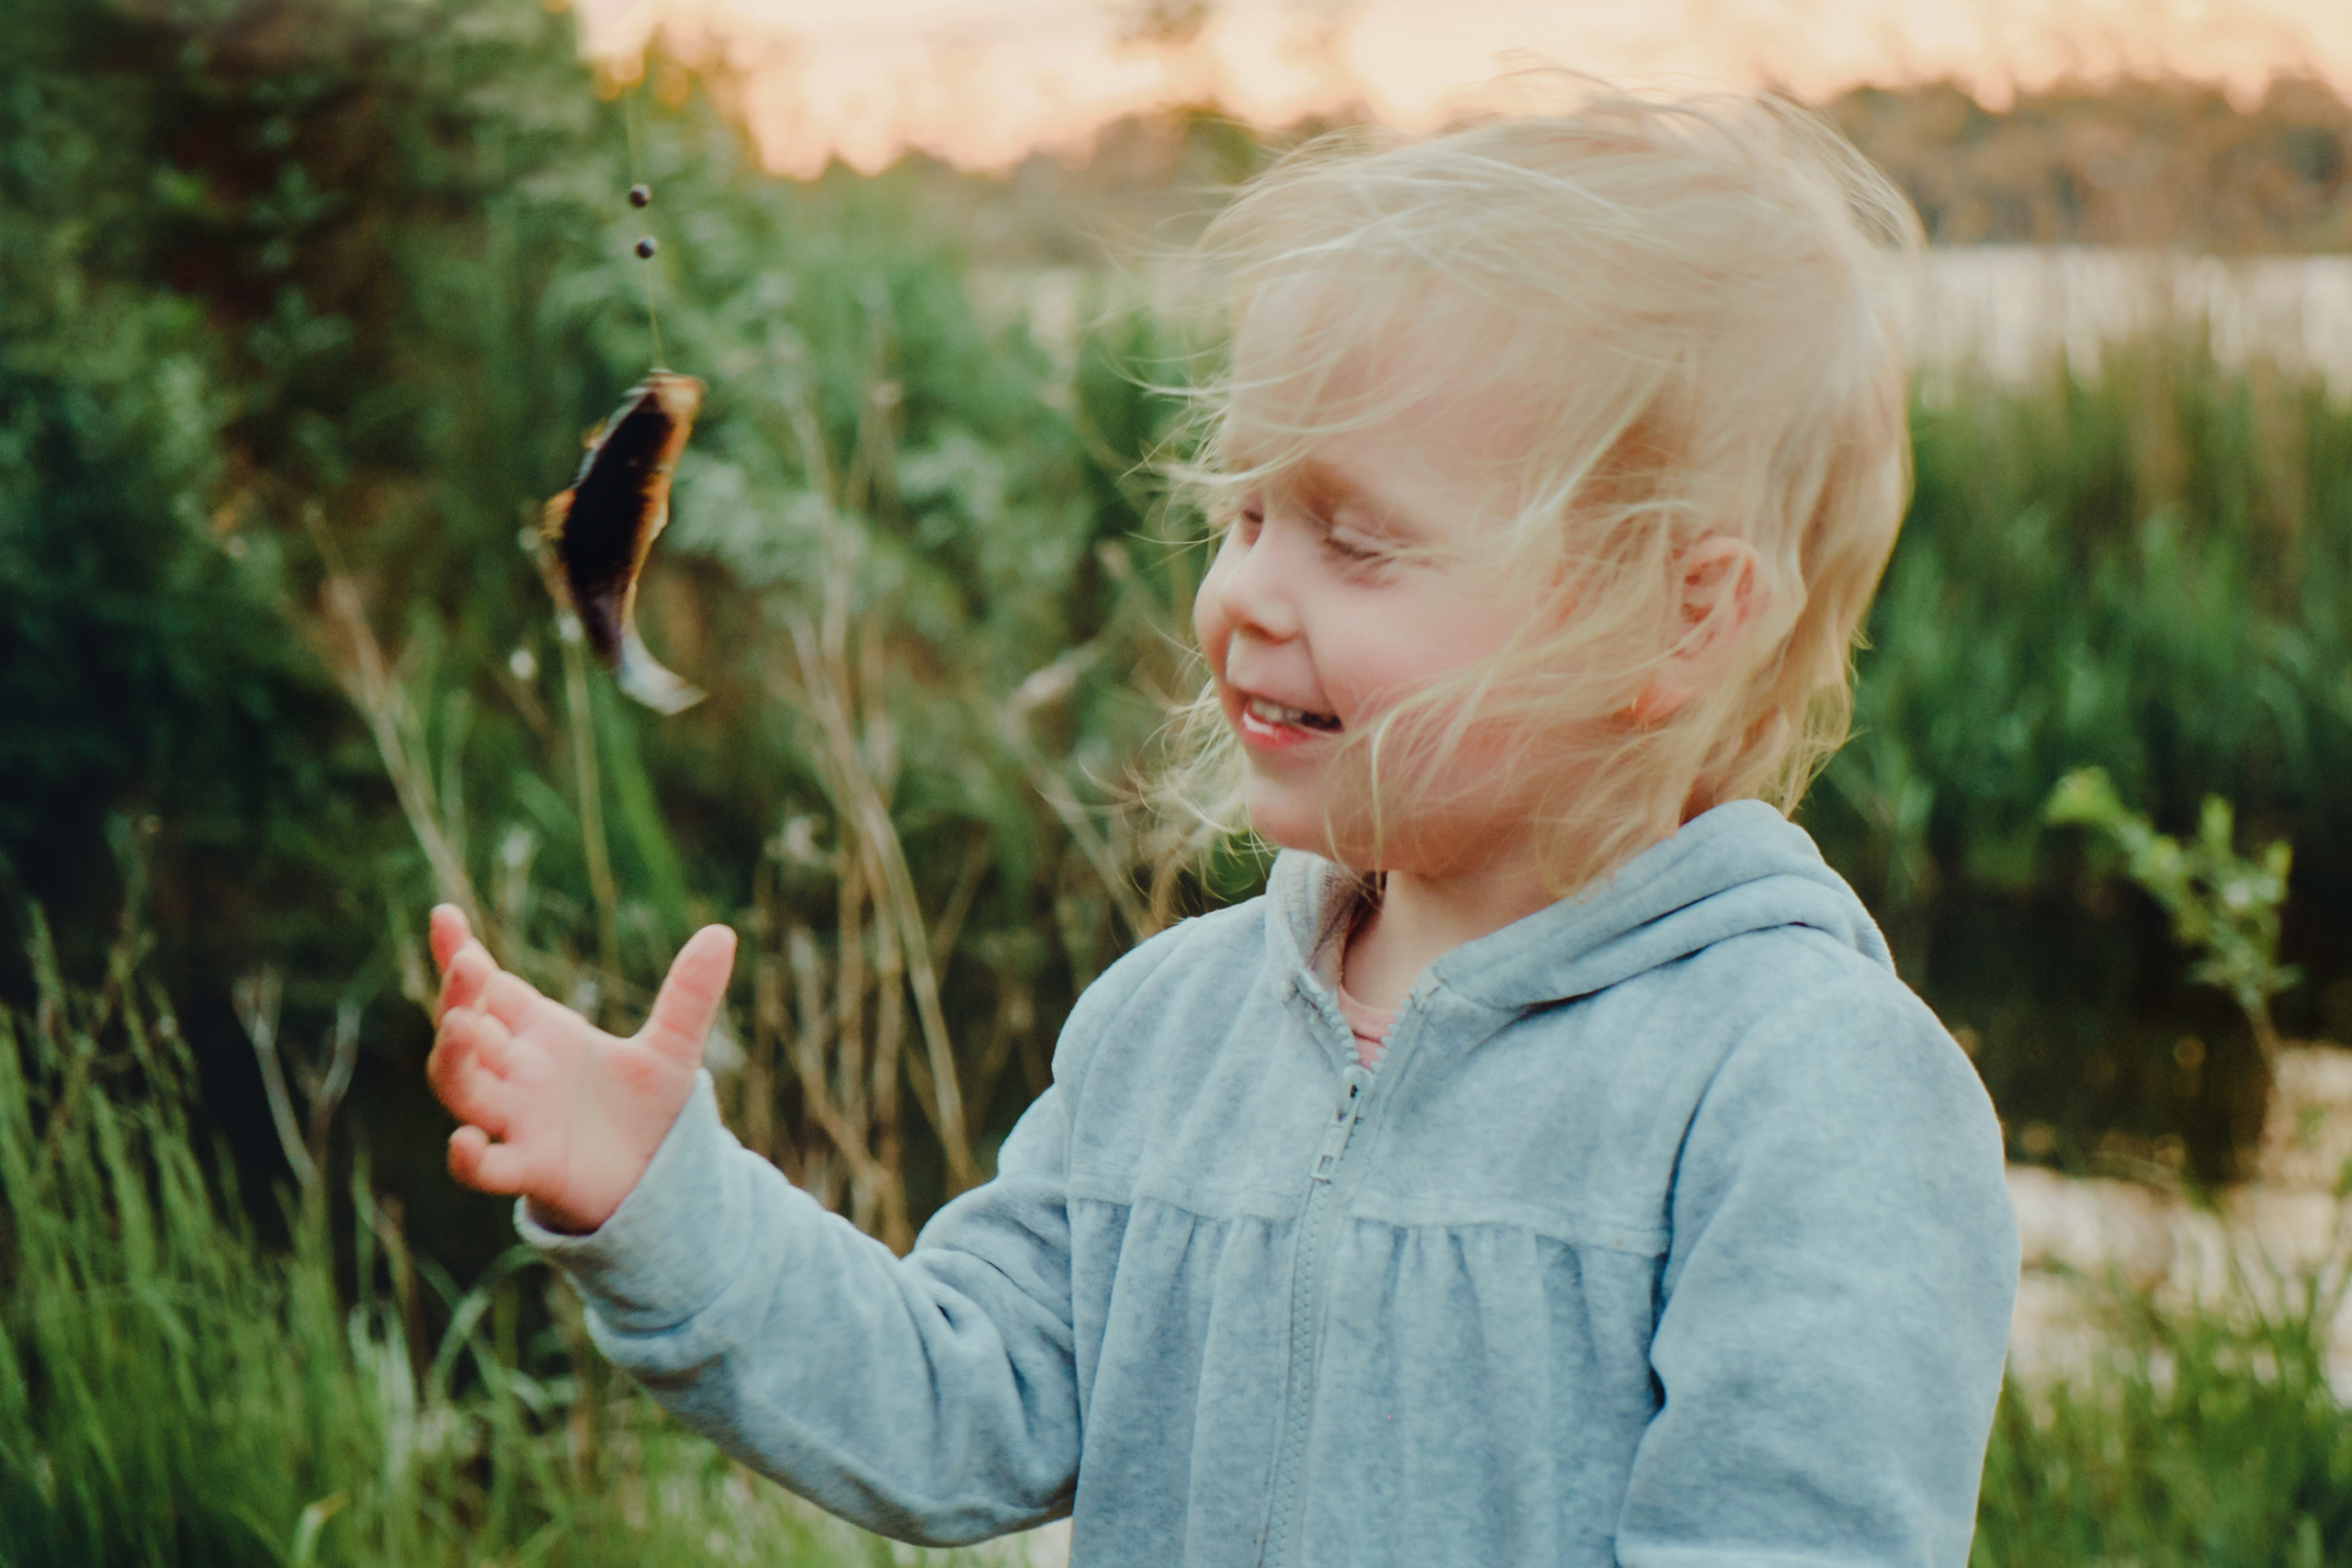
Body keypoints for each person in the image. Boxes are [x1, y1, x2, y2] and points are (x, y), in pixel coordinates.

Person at [426, 82, 2018, 1567]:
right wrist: (657, 1198)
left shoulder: (1805, 1093)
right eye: (1245, 513)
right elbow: (960, 1399)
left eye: (1359, 539)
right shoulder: (1168, 1034)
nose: (1246, 589)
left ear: (1679, 621)